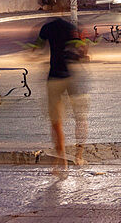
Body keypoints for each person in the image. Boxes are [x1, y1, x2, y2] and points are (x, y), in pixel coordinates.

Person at [37, 16, 89, 176]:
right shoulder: (71, 27)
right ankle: (78, 156)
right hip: (72, 77)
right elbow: (83, 50)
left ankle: (62, 161)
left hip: (55, 77)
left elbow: (36, 48)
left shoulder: (47, 27)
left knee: (56, 122)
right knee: (79, 117)